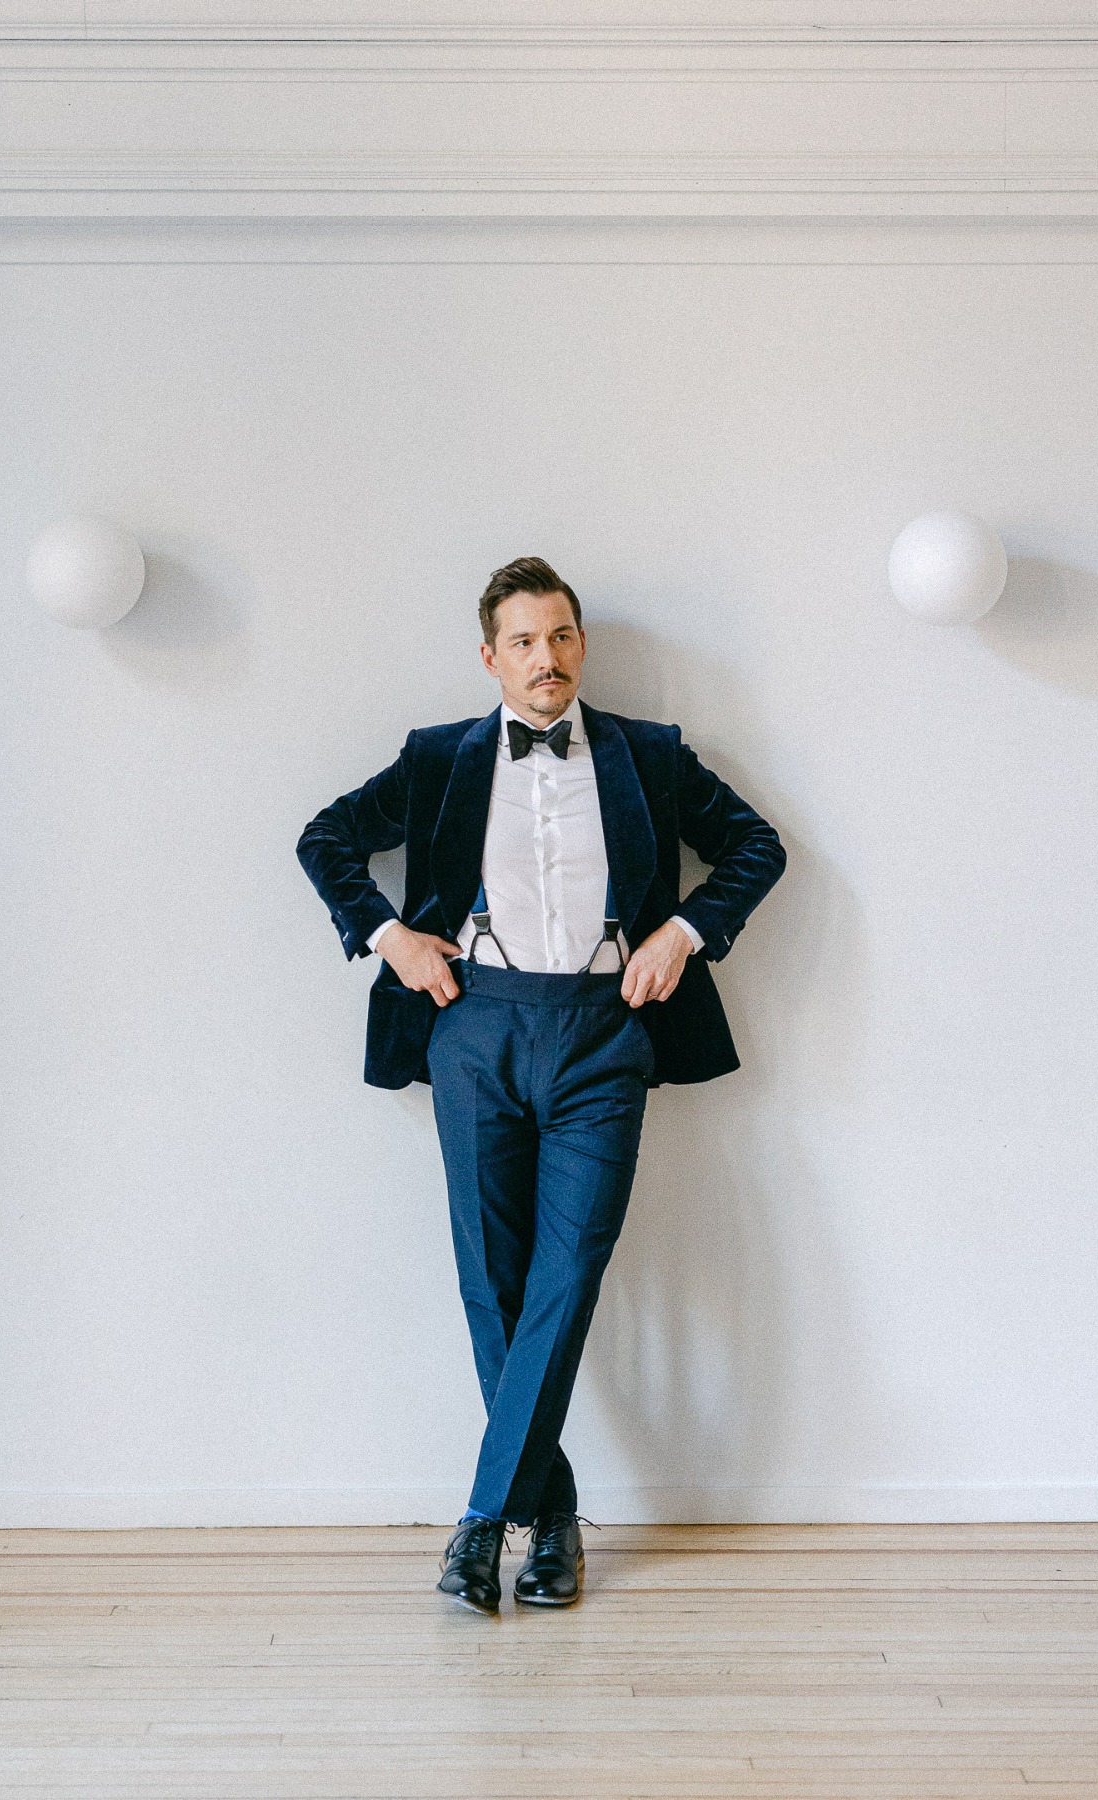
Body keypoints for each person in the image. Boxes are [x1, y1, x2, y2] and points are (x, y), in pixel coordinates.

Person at [295, 556, 786, 1615]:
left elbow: (755, 846)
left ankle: (481, 1522)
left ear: (580, 647)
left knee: (568, 1272)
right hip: (474, 1026)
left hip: (607, 1033)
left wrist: (688, 931)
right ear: (491, 656)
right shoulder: (437, 760)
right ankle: (551, 1517)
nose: (545, 657)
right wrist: (391, 938)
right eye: (523, 641)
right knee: (493, 1281)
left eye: (560, 636)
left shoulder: (648, 758)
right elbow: (324, 839)